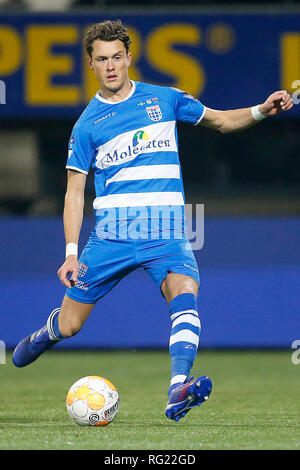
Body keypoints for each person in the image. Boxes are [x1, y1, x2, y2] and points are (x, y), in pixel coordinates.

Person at [12, 19, 293, 423]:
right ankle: (47, 332)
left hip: (165, 233)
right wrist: (71, 253)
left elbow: (221, 121)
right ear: (90, 64)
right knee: (71, 325)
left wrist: (261, 110)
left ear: (129, 58)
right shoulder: (87, 125)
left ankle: (178, 387)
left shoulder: (165, 98)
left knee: (186, 290)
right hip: (111, 237)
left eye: (117, 57)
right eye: (102, 59)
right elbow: (74, 193)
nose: (111, 66)